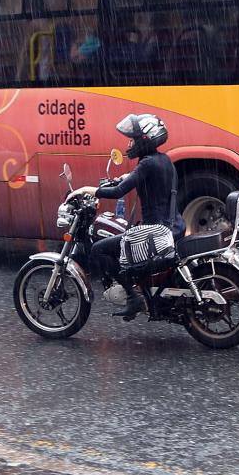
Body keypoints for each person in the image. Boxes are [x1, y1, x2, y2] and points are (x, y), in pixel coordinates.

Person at [73, 114, 179, 321]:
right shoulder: (164, 160)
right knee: (122, 242)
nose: (129, 144)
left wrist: (87, 189)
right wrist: (129, 178)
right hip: (173, 226)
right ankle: (139, 288)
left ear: (144, 140)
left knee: (99, 249)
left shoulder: (146, 164)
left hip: (156, 231)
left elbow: (118, 192)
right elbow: (153, 181)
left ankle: (133, 297)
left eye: (132, 139)